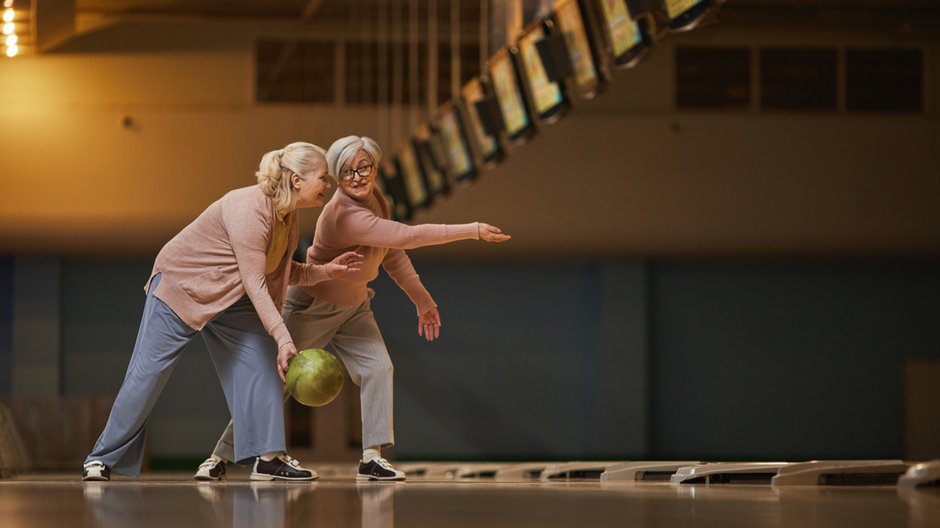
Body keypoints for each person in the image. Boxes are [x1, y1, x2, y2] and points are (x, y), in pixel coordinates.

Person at [194, 135, 510, 482]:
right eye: (346, 172)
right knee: (274, 383)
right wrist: (471, 230)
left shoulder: (377, 200)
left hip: (356, 306)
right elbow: (407, 237)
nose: (357, 177)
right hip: (313, 305)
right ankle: (218, 457)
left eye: (364, 167)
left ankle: (371, 457)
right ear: (336, 177)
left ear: (375, 167)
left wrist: (423, 300)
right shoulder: (343, 213)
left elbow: (392, 253)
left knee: (379, 368)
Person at [82, 142, 364, 482]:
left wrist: (327, 271)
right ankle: (101, 458)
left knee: (261, 363)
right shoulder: (248, 208)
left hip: (231, 297)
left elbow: (281, 273)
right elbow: (256, 281)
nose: (328, 186)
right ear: (297, 180)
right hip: (182, 288)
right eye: (323, 178)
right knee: (148, 375)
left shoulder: (287, 219)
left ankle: (268, 458)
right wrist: (283, 336)